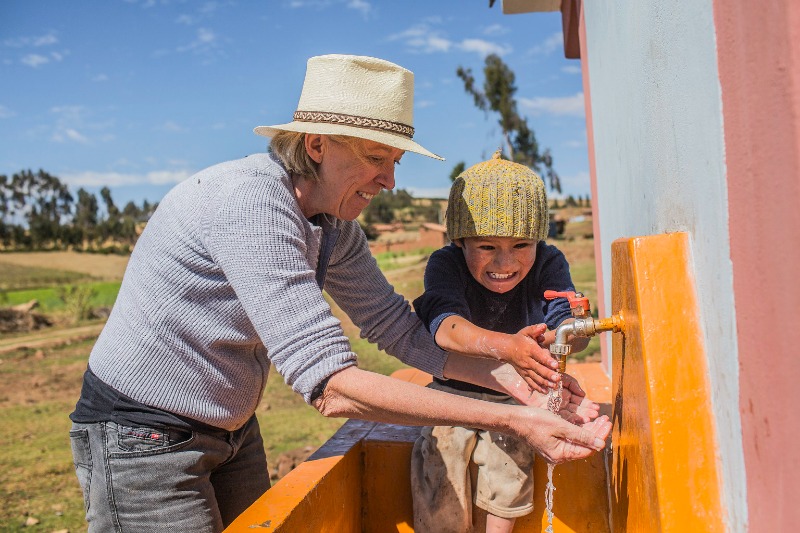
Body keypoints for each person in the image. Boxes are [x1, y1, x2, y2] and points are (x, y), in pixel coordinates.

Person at [68, 54, 610, 532]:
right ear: (317, 144)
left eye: (395, 163)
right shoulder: (252, 204)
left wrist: (531, 392)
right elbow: (332, 387)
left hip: (231, 430)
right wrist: (515, 419)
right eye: (377, 158)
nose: (389, 181)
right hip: (143, 438)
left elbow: (396, 328)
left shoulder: (334, 225)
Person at [410, 151, 595, 533]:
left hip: (518, 393)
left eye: (521, 246)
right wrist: (508, 346)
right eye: (487, 247)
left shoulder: (549, 262)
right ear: (460, 241)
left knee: (510, 463)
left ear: (537, 242)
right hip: (451, 393)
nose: (504, 263)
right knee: (439, 459)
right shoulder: (445, 264)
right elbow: (446, 327)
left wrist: (563, 336)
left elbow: (564, 326)